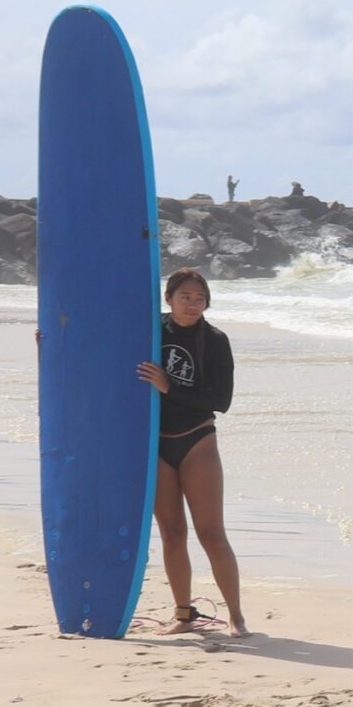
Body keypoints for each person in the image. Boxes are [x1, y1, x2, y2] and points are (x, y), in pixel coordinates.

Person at [137, 268, 246, 636]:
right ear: (169, 298)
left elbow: (221, 400)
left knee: (211, 533)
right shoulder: (152, 329)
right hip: (157, 443)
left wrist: (168, 386)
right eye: (185, 297)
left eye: (200, 298)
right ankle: (184, 615)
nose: (193, 304)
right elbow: (103, 340)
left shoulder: (215, 340)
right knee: (172, 533)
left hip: (197, 440)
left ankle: (236, 617)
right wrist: (50, 341)